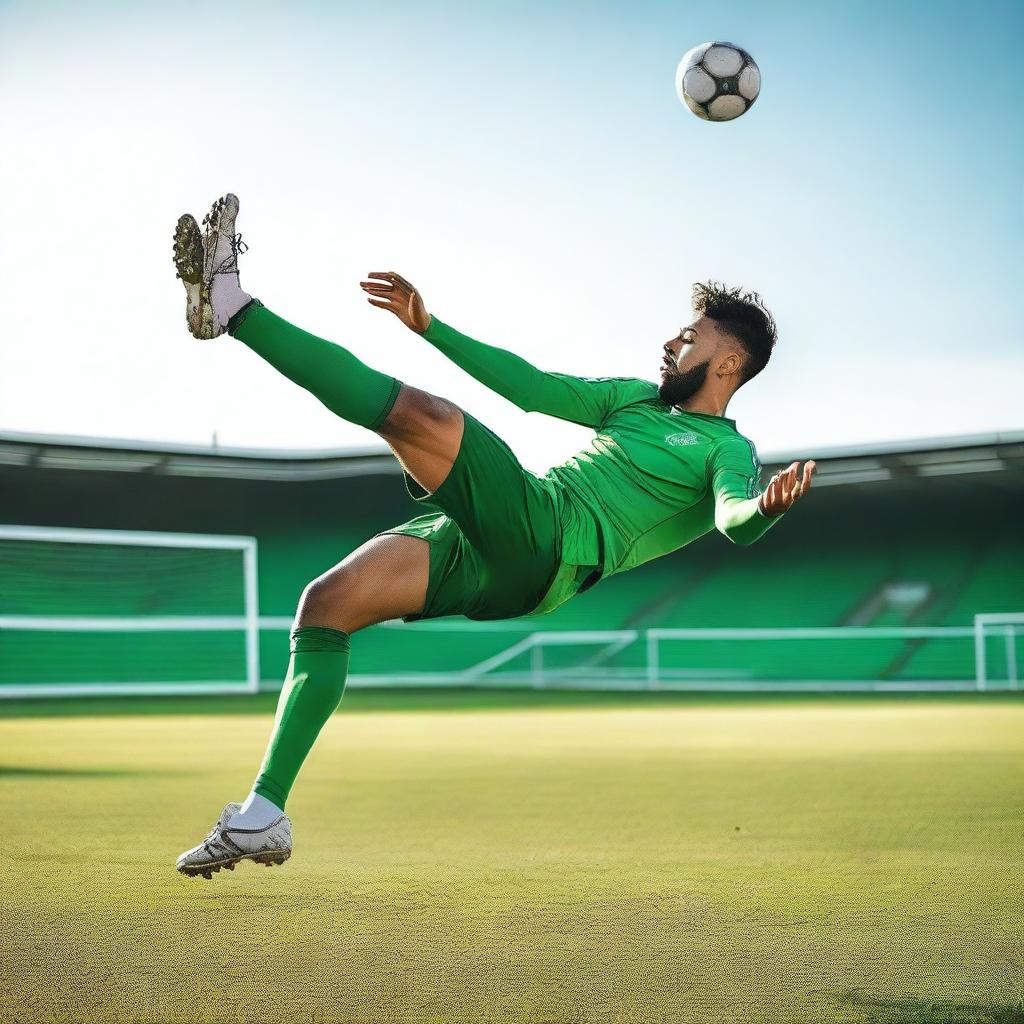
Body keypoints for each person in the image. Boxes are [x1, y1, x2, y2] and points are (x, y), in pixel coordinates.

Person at [172, 194, 815, 878]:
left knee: (424, 416)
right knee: (325, 603)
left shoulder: (728, 450)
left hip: (550, 543)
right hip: (507, 537)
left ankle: (233, 309)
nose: (672, 342)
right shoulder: (634, 400)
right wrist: (431, 327)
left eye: (691, 337)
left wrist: (764, 510)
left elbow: (731, 518)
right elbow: (531, 387)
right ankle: (263, 815)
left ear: (729, 362)